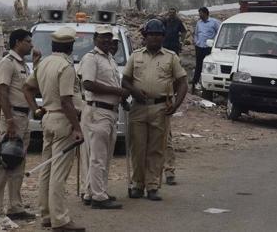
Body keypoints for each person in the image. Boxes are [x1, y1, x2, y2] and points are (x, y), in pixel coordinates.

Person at [24, 27, 85, 232]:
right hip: (63, 119)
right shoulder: (66, 67)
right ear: (70, 46)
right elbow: (67, 101)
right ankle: (60, 220)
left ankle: (47, 216)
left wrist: (36, 110)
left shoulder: (44, 63)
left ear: (53, 45)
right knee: (58, 173)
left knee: (47, 170)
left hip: (48, 118)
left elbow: (27, 88)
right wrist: (77, 128)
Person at [122, 19, 188, 201]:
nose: (155, 38)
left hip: (160, 108)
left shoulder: (171, 57)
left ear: (163, 37)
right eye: (151, 34)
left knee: (156, 149)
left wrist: (175, 106)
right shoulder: (135, 56)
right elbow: (125, 80)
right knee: (138, 148)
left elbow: (183, 83)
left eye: (158, 35)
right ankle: (137, 185)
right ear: (145, 36)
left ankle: (152, 186)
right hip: (138, 107)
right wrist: (135, 91)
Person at [0, 29, 35, 220]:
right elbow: (2, 92)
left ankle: (15, 206)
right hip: (13, 116)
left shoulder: (23, 65)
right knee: (6, 161)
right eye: (27, 41)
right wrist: (9, 121)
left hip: (24, 117)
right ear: (17, 42)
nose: (31, 45)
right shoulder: (7, 63)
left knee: (18, 164)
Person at [79, 25, 127, 209]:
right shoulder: (91, 58)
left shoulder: (110, 59)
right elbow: (88, 84)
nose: (107, 41)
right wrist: (117, 91)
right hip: (97, 111)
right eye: (103, 38)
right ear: (95, 39)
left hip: (110, 111)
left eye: (109, 38)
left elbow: (112, 82)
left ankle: (94, 191)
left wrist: (121, 97)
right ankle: (98, 196)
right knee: (97, 156)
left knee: (104, 156)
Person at [192, 7, 220, 92]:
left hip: (209, 48)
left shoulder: (214, 22)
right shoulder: (198, 23)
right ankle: (195, 82)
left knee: (209, 66)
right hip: (199, 47)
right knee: (199, 65)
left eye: (201, 13)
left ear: (206, 13)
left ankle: (210, 84)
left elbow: (219, 33)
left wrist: (214, 42)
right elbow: (196, 34)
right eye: (199, 13)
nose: (200, 15)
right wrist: (196, 42)